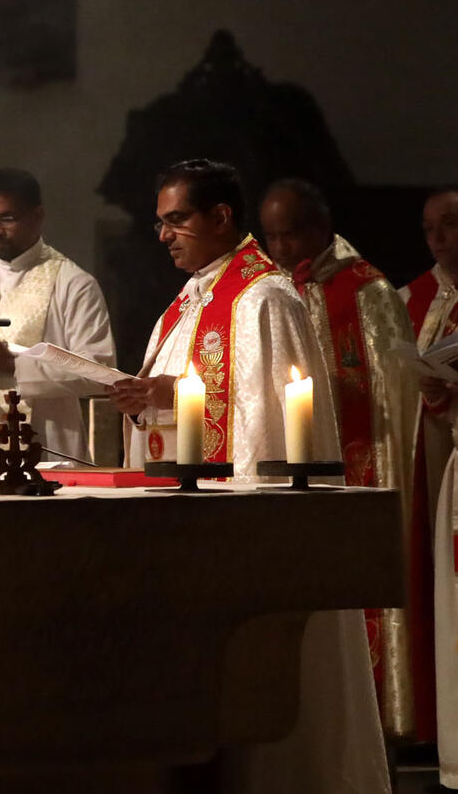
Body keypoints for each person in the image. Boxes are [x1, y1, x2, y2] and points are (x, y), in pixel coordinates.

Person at [107, 159, 388, 794]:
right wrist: (146, 402)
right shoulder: (187, 301)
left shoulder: (265, 298)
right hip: (183, 527)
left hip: (243, 531)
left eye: (177, 219)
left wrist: (172, 394)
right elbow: (185, 403)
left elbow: (269, 428)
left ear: (221, 217)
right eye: (159, 222)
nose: (163, 234)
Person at [260, 178, 431, 743]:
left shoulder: (368, 290)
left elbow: (395, 394)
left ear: (321, 228)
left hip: (362, 462)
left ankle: (381, 725)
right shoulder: (272, 289)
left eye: (290, 234)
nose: (280, 248)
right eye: (271, 237)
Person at [0, 168, 115, 461]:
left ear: (37, 216)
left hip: (48, 443)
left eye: (6, 218)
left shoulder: (74, 284)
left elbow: (100, 372)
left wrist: (14, 365)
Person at [402, 185, 458, 788]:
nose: (438, 239)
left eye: (450, 224)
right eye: (428, 228)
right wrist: (434, 391)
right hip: (452, 469)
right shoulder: (420, 297)